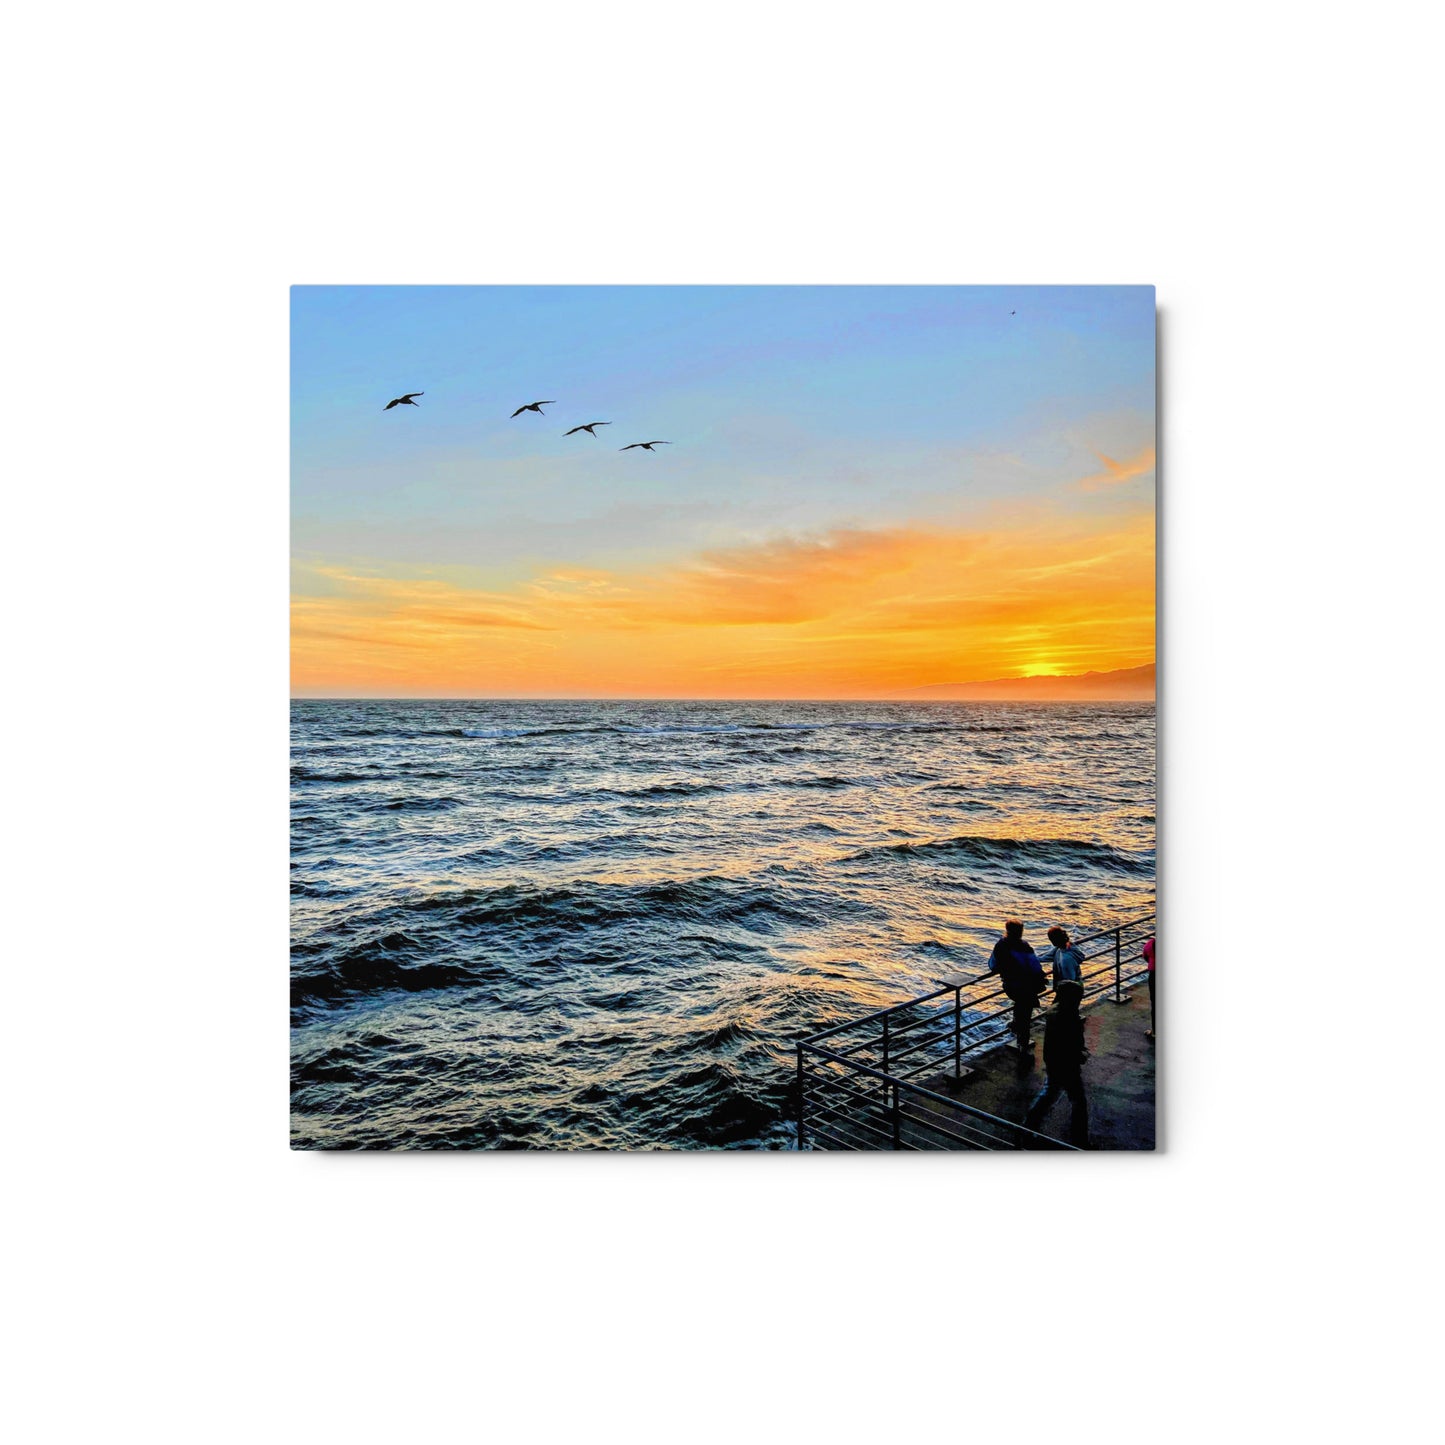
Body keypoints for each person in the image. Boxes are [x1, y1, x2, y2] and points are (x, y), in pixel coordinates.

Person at [1024, 979, 1090, 1146]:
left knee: (1049, 1094)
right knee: (1078, 1101)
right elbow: (1070, 1042)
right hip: (1067, 1064)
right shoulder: (1068, 1015)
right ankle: (1080, 1141)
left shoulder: (1054, 1012)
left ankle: (1028, 1128)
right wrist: (1080, 1054)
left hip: (1054, 1061)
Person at [988, 919, 1048, 1065]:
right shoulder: (1025, 947)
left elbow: (992, 965)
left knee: (1021, 1009)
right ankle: (1023, 1047)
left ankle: (1016, 1027)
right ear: (1021, 931)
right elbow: (1035, 967)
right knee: (1025, 1017)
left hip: (1010, 986)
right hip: (1026, 987)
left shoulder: (1000, 945)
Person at [1041, 926, 1085, 990]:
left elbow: (1070, 982)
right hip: (1068, 986)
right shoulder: (1061, 949)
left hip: (1071, 990)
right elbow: (1046, 957)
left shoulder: (1066, 959)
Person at [1143, 935, 1156, 1040]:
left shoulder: (1150, 944)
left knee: (1155, 1002)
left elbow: (1146, 957)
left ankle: (1155, 1032)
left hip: (1154, 974)